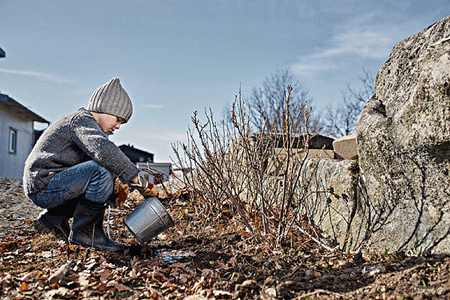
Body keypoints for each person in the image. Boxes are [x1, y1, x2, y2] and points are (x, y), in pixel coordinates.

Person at [23, 77, 146, 252]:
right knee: (101, 169)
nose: (118, 126)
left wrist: (113, 190)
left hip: (49, 184)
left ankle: (52, 221)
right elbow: (103, 150)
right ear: (104, 109)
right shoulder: (81, 120)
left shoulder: (87, 127)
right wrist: (133, 175)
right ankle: (86, 234)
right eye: (118, 119)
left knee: (102, 173)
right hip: (44, 184)